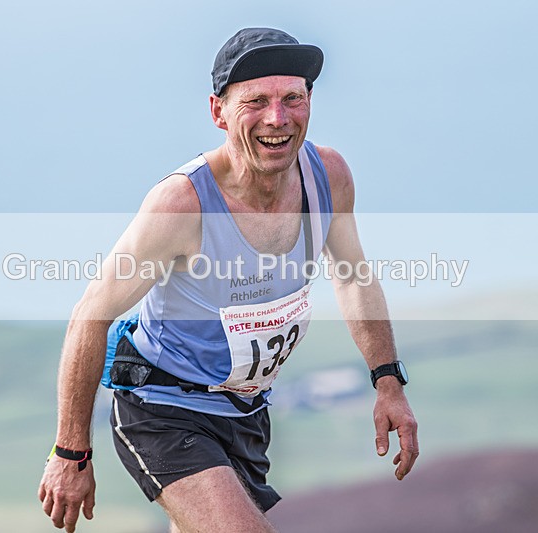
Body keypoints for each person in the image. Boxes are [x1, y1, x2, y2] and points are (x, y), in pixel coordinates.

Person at [39, 28, 418, 533]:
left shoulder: (329, 177)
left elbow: (352, 277)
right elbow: (91, 313)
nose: (277, 119)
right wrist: (70, 452)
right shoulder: (181, 205)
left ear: (310, 103)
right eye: (255, 101)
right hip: (162, 406)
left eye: (292, 99)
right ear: (218, 112)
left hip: (245, 413)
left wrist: (388, 383)